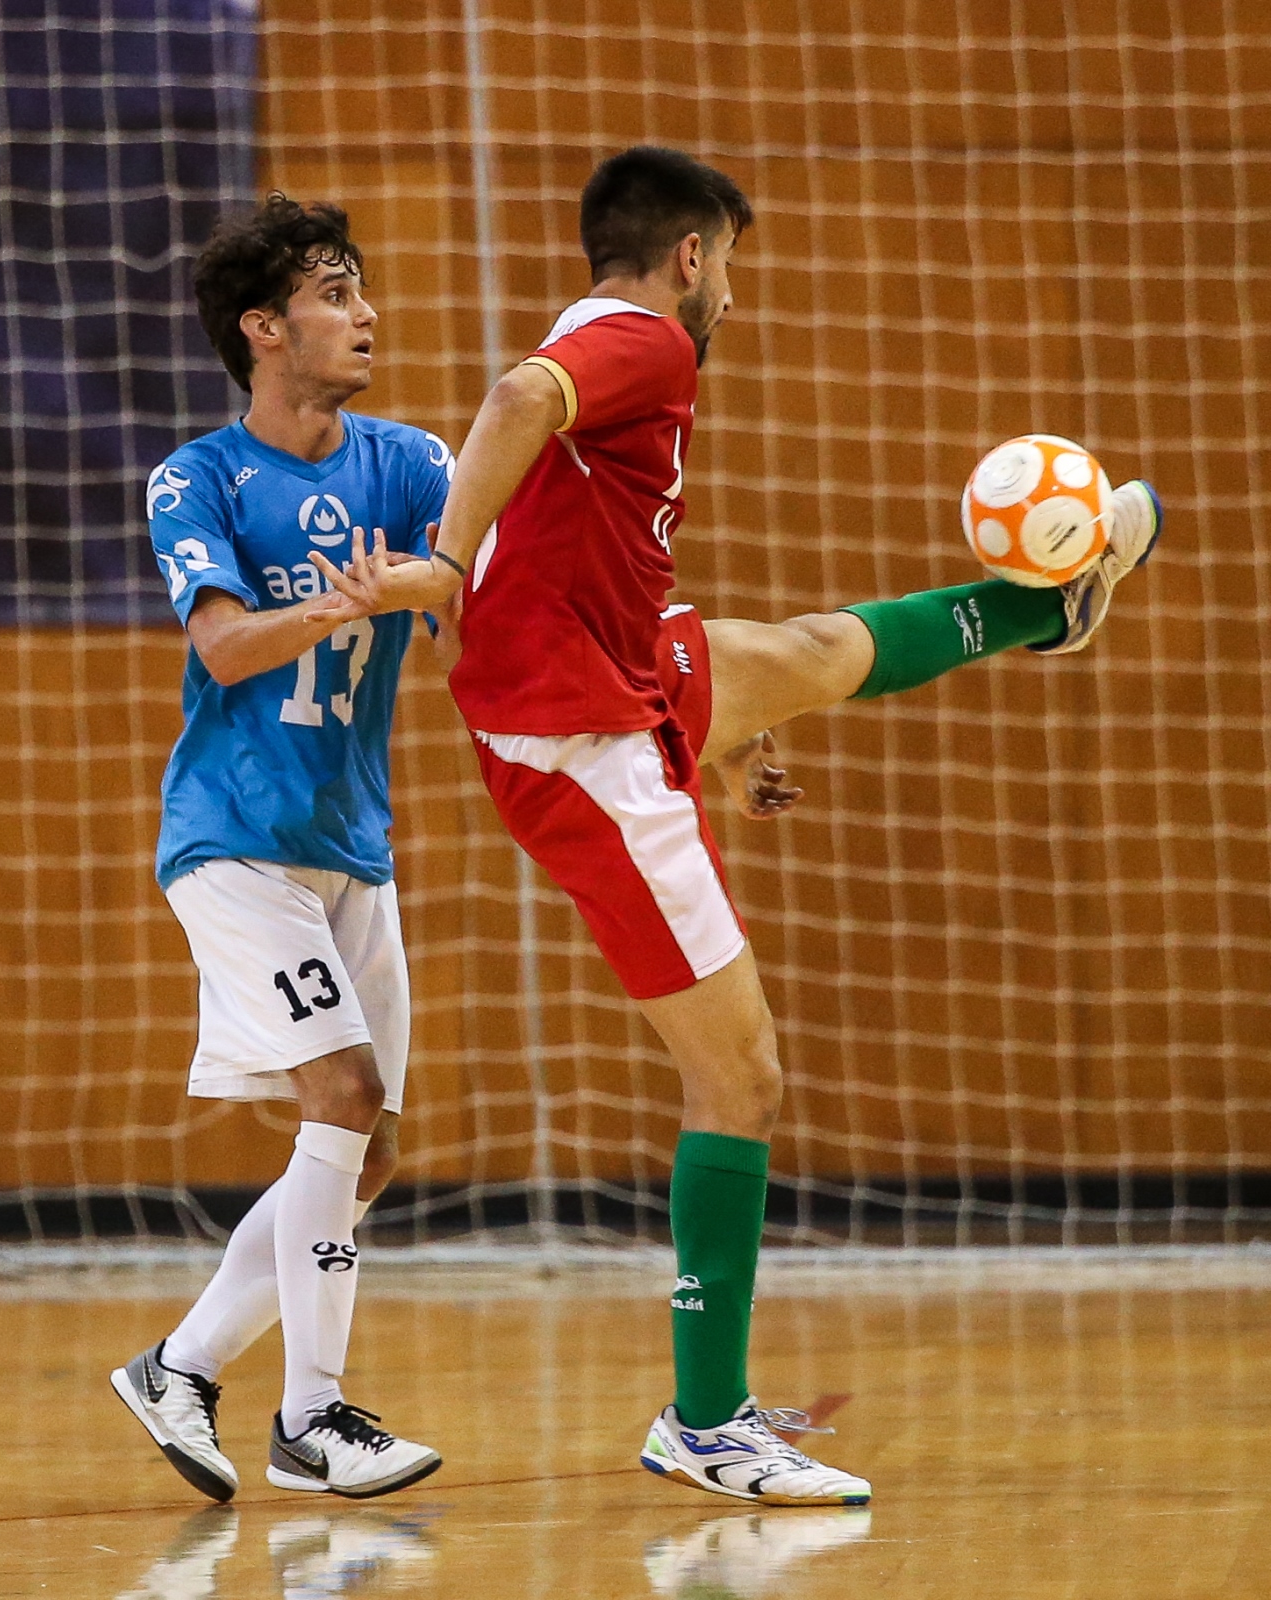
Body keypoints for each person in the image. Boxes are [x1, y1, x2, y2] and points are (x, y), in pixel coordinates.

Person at [307, 146, 1160, 1507]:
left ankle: (1043, 610)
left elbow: (595, 538)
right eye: (734, 266)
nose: (738, 299)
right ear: (693, 257)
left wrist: (708, 728)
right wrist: (447, 564)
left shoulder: (599, 337)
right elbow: (518, 399)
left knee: (809, 654)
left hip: (614, 675)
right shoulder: (644, 342)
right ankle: (703, 1424)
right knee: (743, 1078)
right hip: (579, 742)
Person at [110, 193, 450, 1503]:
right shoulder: (197, 477)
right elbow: (226, 647)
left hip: (348, 844)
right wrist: (351, 595)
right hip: (233, 840)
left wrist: (440, 591)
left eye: (361, 290)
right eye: (335, 292)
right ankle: (313, 1421)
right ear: (265, 327)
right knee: (343, 1100)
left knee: (371, 1148)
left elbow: (471, 611)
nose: (364, 314)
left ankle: (180, 1366)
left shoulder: (412, 465)